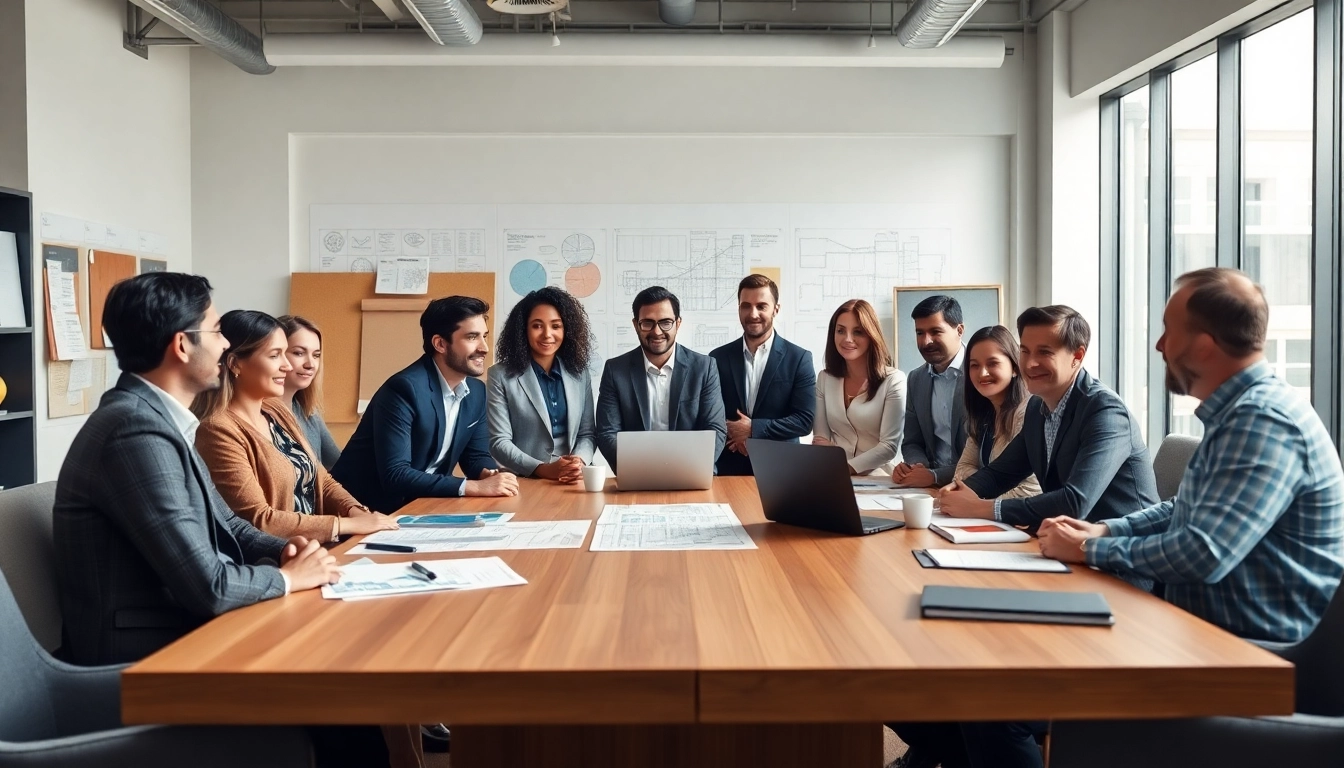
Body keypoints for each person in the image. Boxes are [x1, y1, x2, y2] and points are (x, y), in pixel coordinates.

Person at [965, 271, 1344, 768]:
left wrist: (1089, 548)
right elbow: (1180, 509)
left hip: (1252, 657)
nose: (1161, 344)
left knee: (995, 703)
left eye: (1170, 330)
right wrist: (1104, 530)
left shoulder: (1262, 422)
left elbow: (1203, 553)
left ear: (1205, 346)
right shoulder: (1240, 414)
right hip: (1201, 633)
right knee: (993, 677)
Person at [54, 273, 340, 668]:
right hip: (145, 652)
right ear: (183, 345)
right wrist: (291, 578)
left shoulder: (160, 420)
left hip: (183, 624)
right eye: (218, 331)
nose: (226, 345)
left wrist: (290, 549)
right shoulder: (134, 431)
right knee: (330, 666)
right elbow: (210, 587)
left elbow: (232, 526)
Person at [938, 305, 1158, 529]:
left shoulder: (1105, 411)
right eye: (1025, 351)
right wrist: (959, 492)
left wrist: (983, 509)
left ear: (1077, 356)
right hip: (1065, 541)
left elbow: (1075, 502)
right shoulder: (1037, 408)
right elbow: (1000, 474)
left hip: (1125, 548)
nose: (1030, 364)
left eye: (1044, 352)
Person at [193, 310, 400, 541]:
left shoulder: (277, 410)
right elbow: (258, 519)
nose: (286, 366)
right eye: (275, 356)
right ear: (235, 364)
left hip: (317, 545)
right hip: (278, 558)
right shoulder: (217, 430)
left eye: (285, 354)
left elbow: (323, 479)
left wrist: (357, 512)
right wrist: (346, 524)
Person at [332, 296, 517, 511]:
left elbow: (475, 456)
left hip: (421, 506)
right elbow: (396, 475)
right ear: (440, 343)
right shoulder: (404, 389)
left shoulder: (476, 392)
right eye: (472, 337)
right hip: (364, 511)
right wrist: (474, 487)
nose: (484, 347)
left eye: (484, 336)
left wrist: (487, 474)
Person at [595, 285, 727, 472]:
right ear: (636, 325)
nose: (657, 332)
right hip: (636, 474)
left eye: (665, 322)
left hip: (691, 473)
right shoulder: (615, 370)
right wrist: (646, 469)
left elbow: (716, 431)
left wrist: (678, 468)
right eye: (647, 323)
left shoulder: (704, 367)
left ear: (678, 323)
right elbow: (607, 433)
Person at [709, 274, 816, 476]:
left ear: (776, 309)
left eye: (761, 306)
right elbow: (708, 414)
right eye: (746, 306)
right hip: (729, 467)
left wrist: (752, 430)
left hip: (782, 469)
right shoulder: (716, 358)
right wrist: (735, 435)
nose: (753, 313)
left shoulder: (799, 358)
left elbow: (804, 420)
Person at [486, 287, 597, 481]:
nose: (547, 334)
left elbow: (587, 433)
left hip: (575, 479)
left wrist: (579, 462)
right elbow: (499, 442)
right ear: (523, 330)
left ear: (567, 329)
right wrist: (543, 469)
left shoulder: (580, 374)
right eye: (537, 326)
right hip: (525, 479)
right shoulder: (500, 375)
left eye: (556, 326)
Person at [812, 299, 906, 475]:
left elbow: (888, 447)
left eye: (858, 332)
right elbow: (821, 441)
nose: (847, 339)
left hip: (878, 478)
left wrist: (843, 466)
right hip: (832, 475)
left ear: (871, 335)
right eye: (840, 331)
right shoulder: (824, 378)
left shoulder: (894, 380)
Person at [952, 325, 1041, 498]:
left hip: (1019, 521)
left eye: (992, 363)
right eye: (974, 365)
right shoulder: (983, 414)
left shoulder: (1029, 413)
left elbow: (1031, 490)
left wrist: (978, 503)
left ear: (1015, 368)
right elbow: (961, 470)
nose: (982, 373)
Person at [894, 295, 967, 488]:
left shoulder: (982, 375)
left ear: (959, 330)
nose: (926, 342)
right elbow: (912, 442)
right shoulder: (916, 379)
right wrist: (917, 467)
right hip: (930, 488)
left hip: (975, 487)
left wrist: (935, 476)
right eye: (920, 333)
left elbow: (987, 457)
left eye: (936, 332)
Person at [278, 314, 341, 469]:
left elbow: (341, 467)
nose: (311, 364)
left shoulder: (308, 414)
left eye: (316, 355)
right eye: (299, 353)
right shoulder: (256, 416)